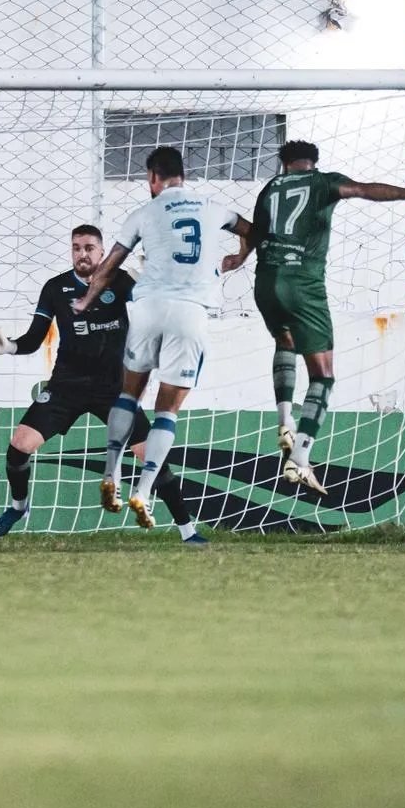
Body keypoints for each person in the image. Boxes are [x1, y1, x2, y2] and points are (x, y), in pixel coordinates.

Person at [223, 140, 405, 493]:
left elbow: (256, 232)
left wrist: (241, 257)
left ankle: (284, 421)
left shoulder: (271, 187)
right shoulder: (323, 181)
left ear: (284, 164)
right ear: (313, 163)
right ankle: (300, 459)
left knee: (285, 340)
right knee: (323, 375)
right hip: (303, 284)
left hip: (266, 282)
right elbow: (364, 190)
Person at [0, 224, 202, 542]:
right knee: (19, 446)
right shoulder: (55, 288)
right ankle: (17, 507)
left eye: (89, 248)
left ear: (101, 252)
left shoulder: (121, 281)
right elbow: (33, 339)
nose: (82, 254)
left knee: (152, 455)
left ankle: (188, 531)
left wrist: (149, 280)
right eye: (76, 248)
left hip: (114, 390)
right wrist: (9, 346)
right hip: (66, 386)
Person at [76, 146, 251, 532]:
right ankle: (144, 489)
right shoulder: (213, 208)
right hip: (190, 314)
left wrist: (86, 300)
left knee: (128, 394)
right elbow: (250, 230)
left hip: (148, 309)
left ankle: (111, 471)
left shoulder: (143, 213)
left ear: (153, 178)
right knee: (167, 411)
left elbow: (110, 264)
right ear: (182, 175)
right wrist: (238, 258)